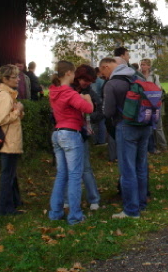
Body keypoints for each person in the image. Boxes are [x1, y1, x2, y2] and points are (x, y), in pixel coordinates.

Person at [100, 57, 152, 219]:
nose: (103, 75)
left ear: (107, 67)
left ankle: (131, 210)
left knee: (127, 170)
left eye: (103, 71)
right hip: (144, 125)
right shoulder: (137, 77)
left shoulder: (112, 84)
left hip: (125, 127)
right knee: (141, 166)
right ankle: (141, 203)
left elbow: (107, 112)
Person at [48, 61, 94, 225]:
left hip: (57, 133)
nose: (74, 76)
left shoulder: (53, 91)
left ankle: (55, 212)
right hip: (71, 133)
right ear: (68, 73)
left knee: (61, 174)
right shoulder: (69, 92)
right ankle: (75, 216)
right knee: (75, 175)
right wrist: (87, 98)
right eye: (73, 73)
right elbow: (88, 109)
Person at [0, 65, 25, 215]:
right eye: (14, 77)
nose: (18, 79)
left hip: (8, 140)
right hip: (8, 141)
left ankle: (15, 201)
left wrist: (18, 111)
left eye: (18, 76)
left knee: (10, 173)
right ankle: (6, 208)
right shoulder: (3, 95)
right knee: (7, 174)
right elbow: (1, 119)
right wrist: (17, 110)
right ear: (5, 79)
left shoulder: (5, 94)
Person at [69, 64, 102, 211]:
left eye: (88, 81)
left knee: (85, 167)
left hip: (81, 132)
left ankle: (94, 199)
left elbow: (100, 111)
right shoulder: (68, 89)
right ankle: (67, 200)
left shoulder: (90, 93)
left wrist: (88, 117)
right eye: (83, 80)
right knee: (66, 169)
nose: (85, 83)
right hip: (68, 131)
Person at [140, 58, 168, 153]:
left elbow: (158, 89)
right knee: (147, 126)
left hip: (154, 103)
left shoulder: (155, 77)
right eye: (141, 64)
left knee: (158, 126)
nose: (142, 66)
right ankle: (149, 147)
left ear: (149, 66)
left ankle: (163, 146)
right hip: (144, 104)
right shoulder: (138, 76)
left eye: (144, 64)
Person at [91, 67, 107, 146]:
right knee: (101, 123)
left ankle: (94, 140)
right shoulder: (102, 82)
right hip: (100, 104)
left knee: (93, 123)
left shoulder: (90, 82)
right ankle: (101, 141)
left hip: (91, 104)